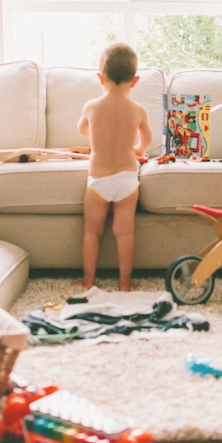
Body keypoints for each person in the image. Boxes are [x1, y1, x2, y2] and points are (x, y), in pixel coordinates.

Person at [77, 43, 152, 291]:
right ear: (135, 80)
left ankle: (89, 281)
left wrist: (93, 138)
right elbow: (147, 141)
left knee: (91, 231)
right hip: (127, 179)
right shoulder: (137, 109)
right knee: (124, 232)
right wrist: (137, 150)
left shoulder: (92, 106)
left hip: (98, 180)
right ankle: (124, 282)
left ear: (101, 77)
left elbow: (82, 129)